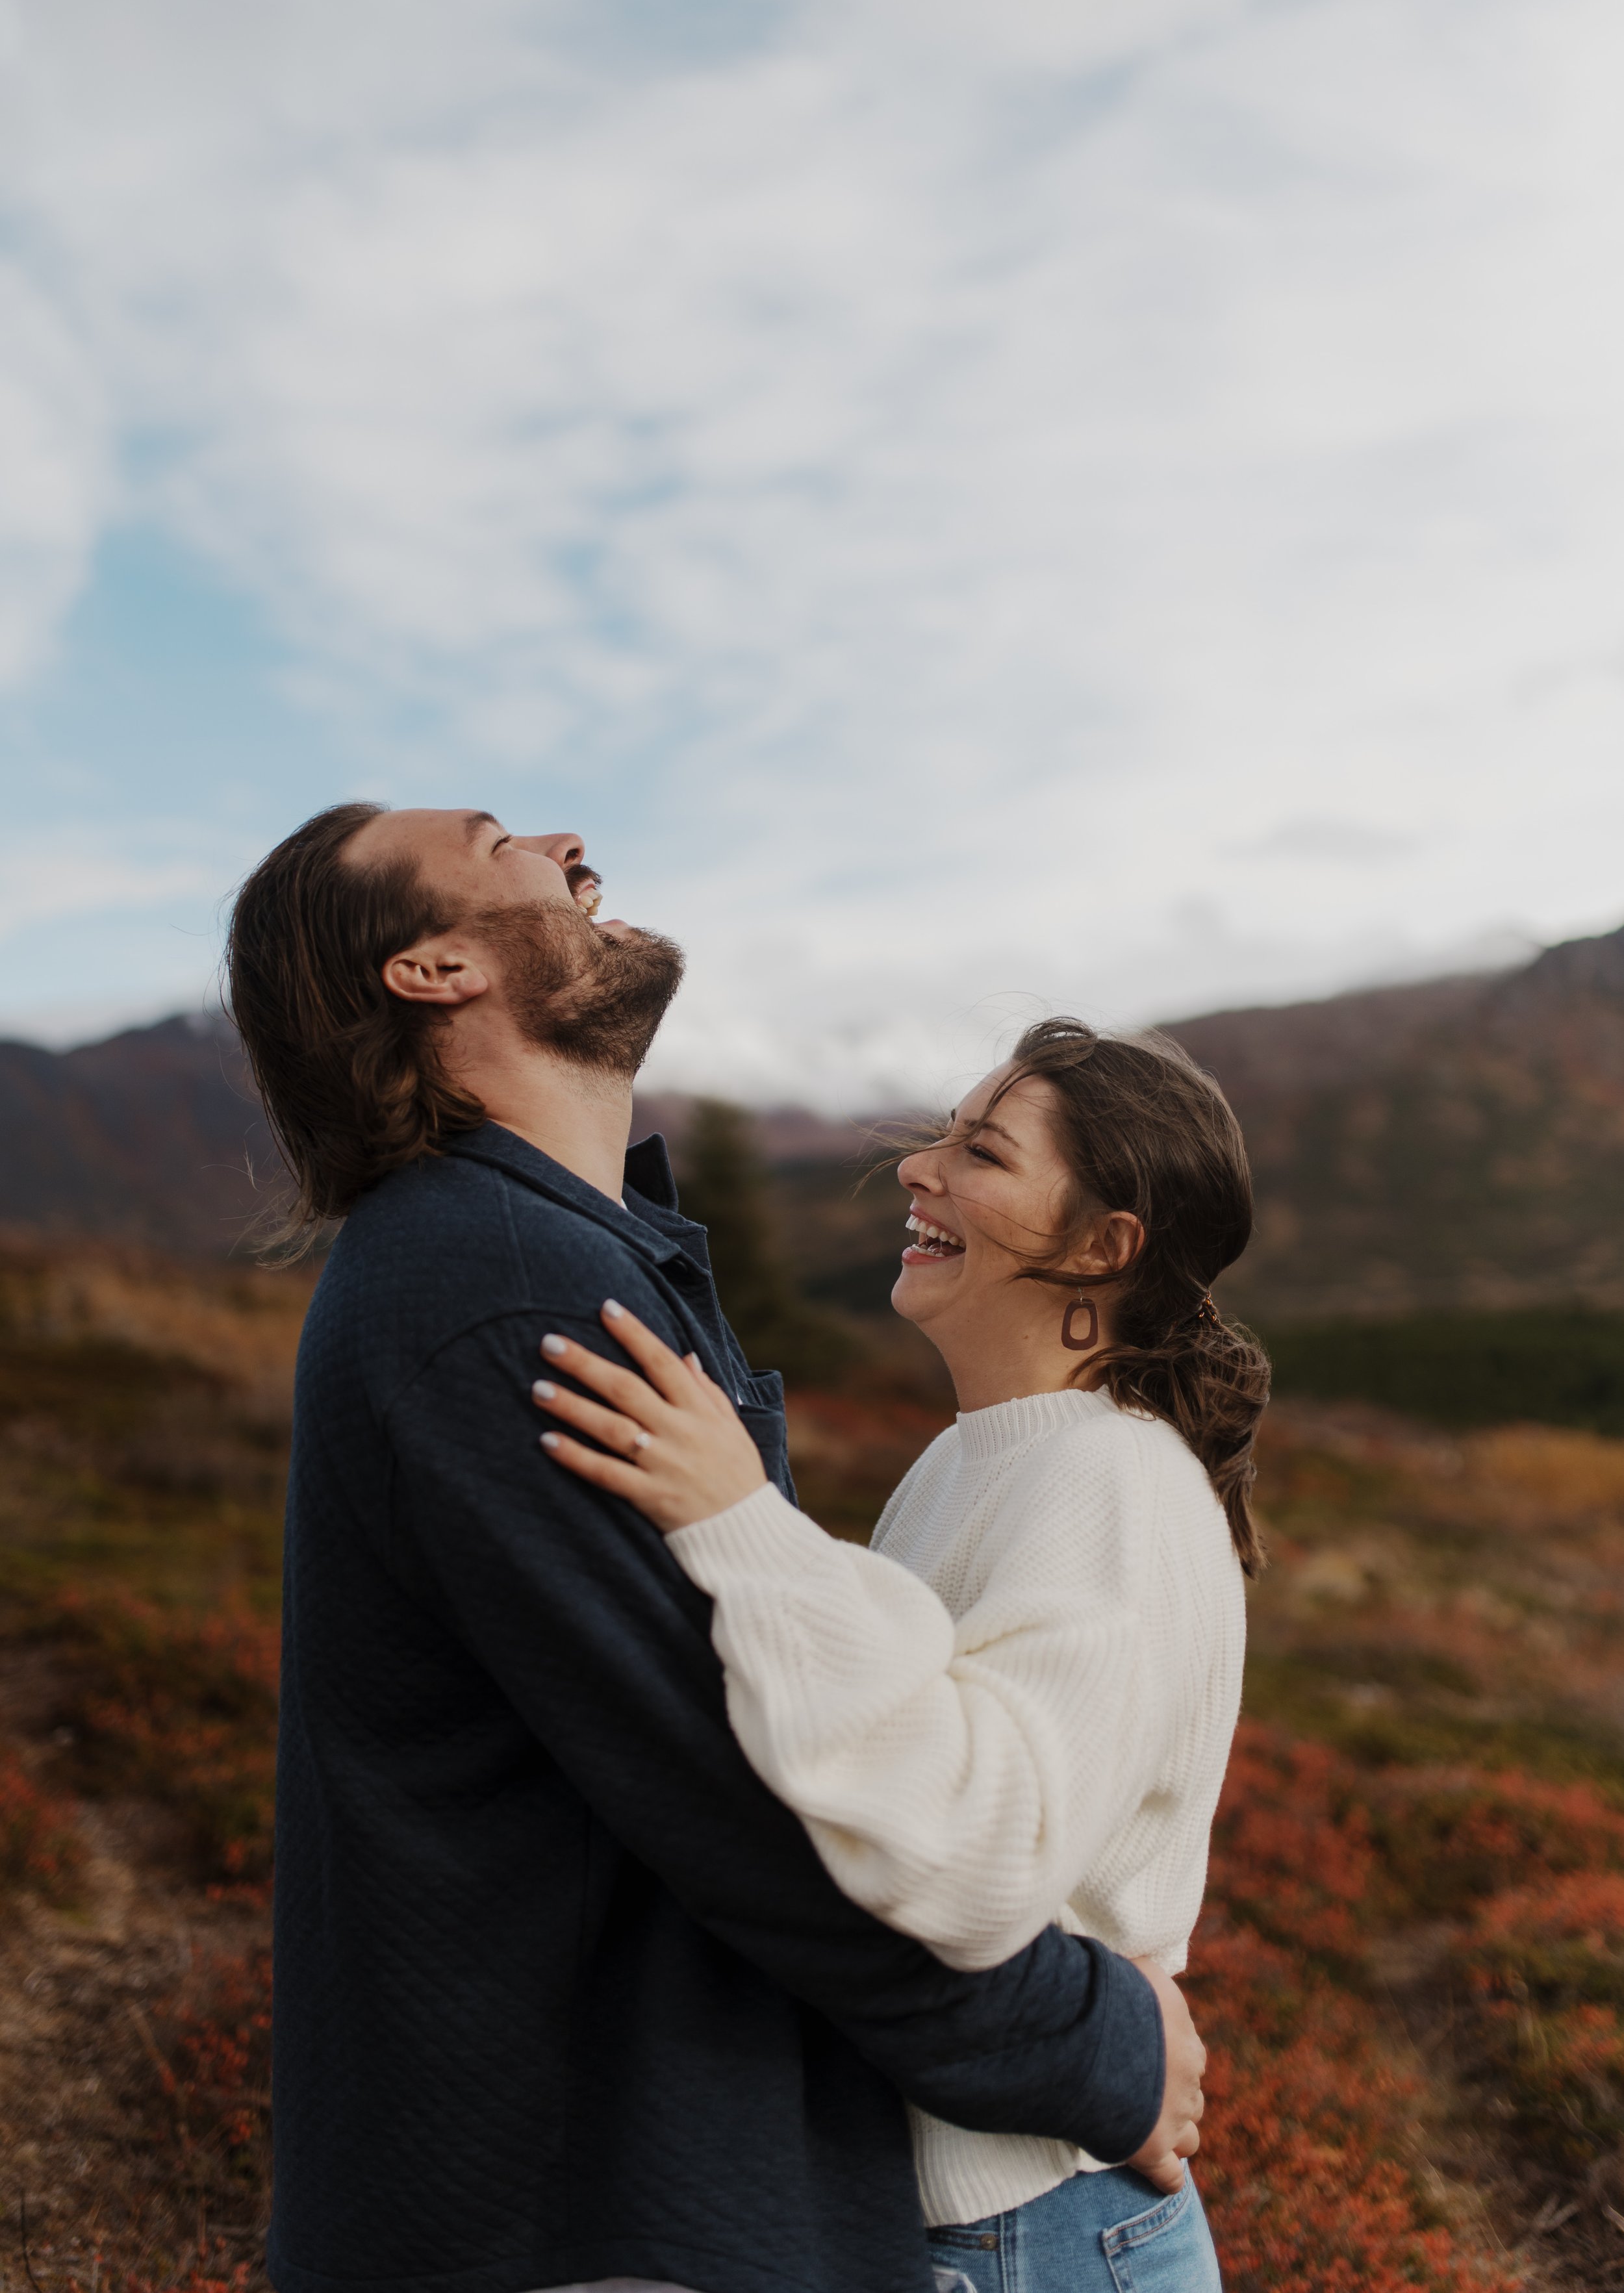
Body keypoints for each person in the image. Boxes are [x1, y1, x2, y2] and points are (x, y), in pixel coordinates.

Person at [225, 805, 1208, 2293]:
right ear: (430, 967)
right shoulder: (507, 1289)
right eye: (492, 837)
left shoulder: (571, 1256)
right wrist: (1096, 2045)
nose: (557, 834)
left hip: (627, 2182)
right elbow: (745, 1801)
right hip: (582, 2212)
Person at [524, 1019, 1267, 2293]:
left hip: (1025, 2234)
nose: (919, 1168)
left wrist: (736, 1521)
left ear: (1102, 1246)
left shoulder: (1108, 1481)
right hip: (960, 2214)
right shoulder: (979, 1457)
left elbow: (980, 1849)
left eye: (980, 1150)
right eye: (942, 1131)